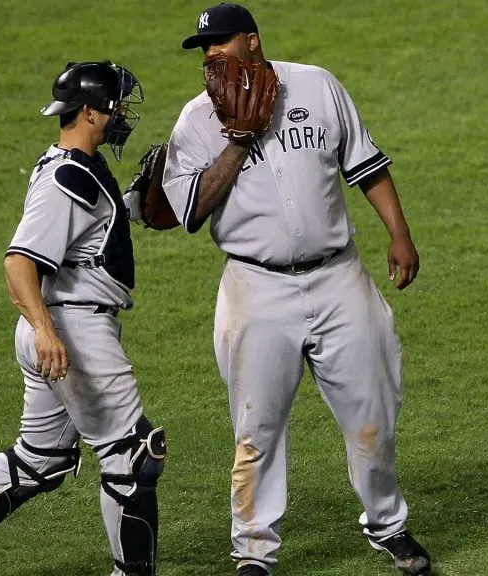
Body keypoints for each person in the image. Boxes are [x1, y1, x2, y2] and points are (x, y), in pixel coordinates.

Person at [158, 3, 431, 575]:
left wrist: (399, 235)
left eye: (221, 42)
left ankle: (389, 526)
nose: (210, 55)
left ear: (252, 41)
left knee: (373, 411)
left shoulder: (318, 86)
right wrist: (236, 140)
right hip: (255, 289)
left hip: (340, 277)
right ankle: (254, 552)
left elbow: (367, 166)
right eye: (202, 48)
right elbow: (187, 210)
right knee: (256, 428)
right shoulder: (196, 121)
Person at [0, 61, 166, 576]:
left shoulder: (73, 165)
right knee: (134, 456)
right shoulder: (66, 178)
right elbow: (19, 263)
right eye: (115, 106)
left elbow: (92, 227)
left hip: (63, 326)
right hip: (72, 331)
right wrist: (46, 331)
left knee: (42, 455)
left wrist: (134, 202)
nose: (122, 115)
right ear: (89, 112)